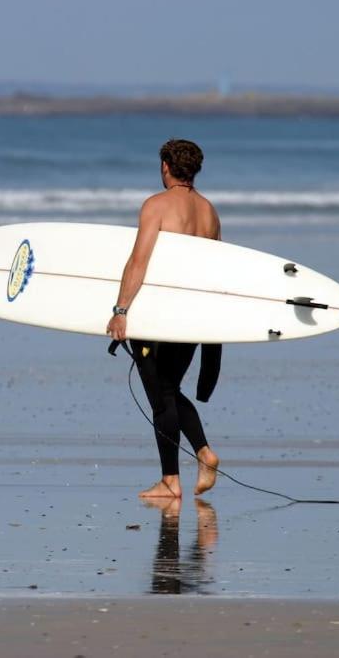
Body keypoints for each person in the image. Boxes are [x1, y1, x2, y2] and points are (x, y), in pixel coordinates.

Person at [106, 138, 221, 499]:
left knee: (161, 398)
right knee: (170, 390)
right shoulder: (210, 212)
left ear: (166, 168)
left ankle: (172, 480)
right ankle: (203, 453)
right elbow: (217, 272)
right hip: (194, 315)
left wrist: (121, 310)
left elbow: (138, 261)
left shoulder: (155, 206)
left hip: (161, 315)